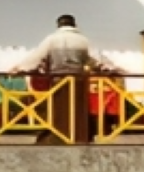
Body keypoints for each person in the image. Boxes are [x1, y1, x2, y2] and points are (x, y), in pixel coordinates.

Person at [11, 15, 106, 143]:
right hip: (78, 80)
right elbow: (97, 59)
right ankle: (79, 136)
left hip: (58, 80)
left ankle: (60, 136)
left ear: (58, 25)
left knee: (60, 110)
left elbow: (36, 57)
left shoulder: (51, 39)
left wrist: (19, 68)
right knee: (77, 109)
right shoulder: (83, 40)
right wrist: (113, 69)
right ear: (74, 24)